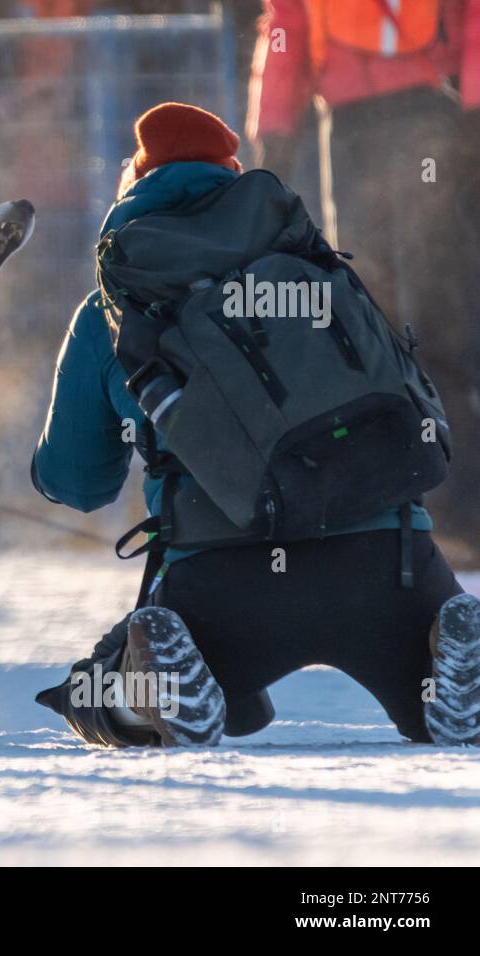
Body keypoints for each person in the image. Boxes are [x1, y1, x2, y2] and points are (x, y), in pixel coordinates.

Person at [32, 102, 478, 748]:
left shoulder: (115, 309)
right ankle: (454, 663)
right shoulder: (323, 271)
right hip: (390, 563)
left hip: (223, 588)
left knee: (94, 686)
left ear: (134, 183)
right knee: (438, 701)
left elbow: (77, 482)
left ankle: (152, 690)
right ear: (234, 178)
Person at [247, 0, 480, 560]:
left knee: (382, 321)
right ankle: (442, 511)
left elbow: (287, 25)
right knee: (419, 321)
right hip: (428, 114)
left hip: (368, 124)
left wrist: (274, 134)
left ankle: (424, 513)